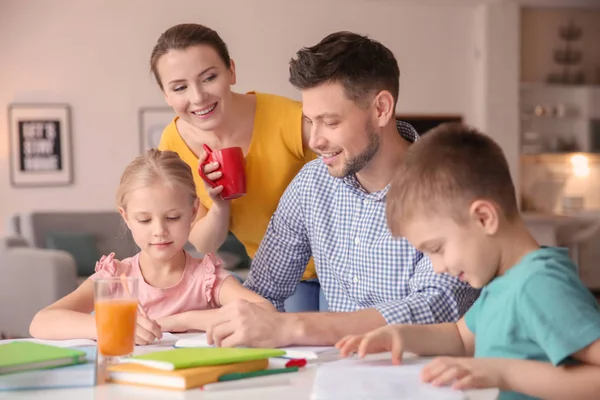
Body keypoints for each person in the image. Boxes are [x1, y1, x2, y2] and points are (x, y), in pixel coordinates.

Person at [203, 31, 479, 349]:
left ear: (381, 109)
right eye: (310, 121)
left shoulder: (447, 186)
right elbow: (263, 291)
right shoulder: (312, 183)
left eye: (330, 122)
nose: (314, 140)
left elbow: (435, 307)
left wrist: (296, 327)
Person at [336, 123, 600, 400]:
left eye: (437, 248)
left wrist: (505, 374)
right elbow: (460, 337)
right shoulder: (504, 282)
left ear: (484, 218)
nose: (438, 267)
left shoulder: (539, 285)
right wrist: (399, 335)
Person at [151, 23, 322, 312]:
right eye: (180, 87)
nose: (198, 97)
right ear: (166, 95)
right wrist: (219, 205)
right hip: (279, 276)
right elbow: (204, 242)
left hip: (343, 265)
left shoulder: (291, 118)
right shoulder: (173, 145)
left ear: (231, 71)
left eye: (209, 78)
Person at [29, 150, 274, 345]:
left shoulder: (206, 278)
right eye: (144, 220)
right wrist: (111, 324)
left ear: (192, 212)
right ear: (126, 217)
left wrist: (181, 320)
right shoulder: (116, 277)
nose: (159, 231)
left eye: (173, 217)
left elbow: (265, 312)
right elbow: (41, 322)